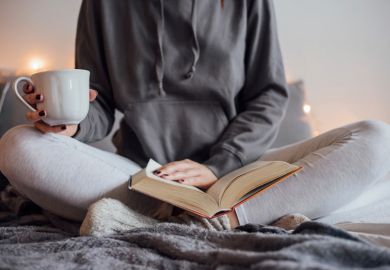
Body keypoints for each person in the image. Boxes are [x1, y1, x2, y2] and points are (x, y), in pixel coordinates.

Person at [0, 0, 389, 228]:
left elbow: (269, 95)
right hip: (140, 176)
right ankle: (216, 215)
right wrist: (74, 123)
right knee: (17, 145)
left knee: (376, 139)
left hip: (239, 171)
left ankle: (219, 217)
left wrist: (221, 164)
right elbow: (98, 102)